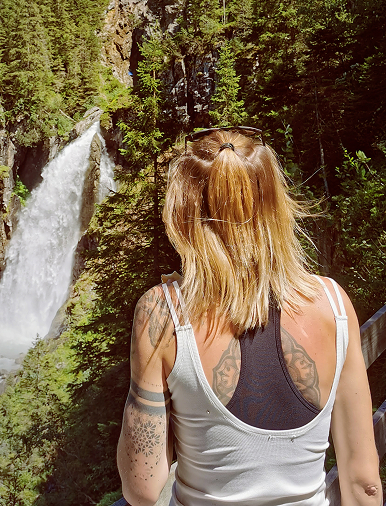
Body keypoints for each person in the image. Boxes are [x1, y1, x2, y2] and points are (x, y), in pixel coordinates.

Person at [117, 126, 381, 506]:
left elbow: (141, 488)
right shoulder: (334, 304)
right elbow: (364, 483)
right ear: (277, 204)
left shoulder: (163, 314)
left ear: (183, 215)